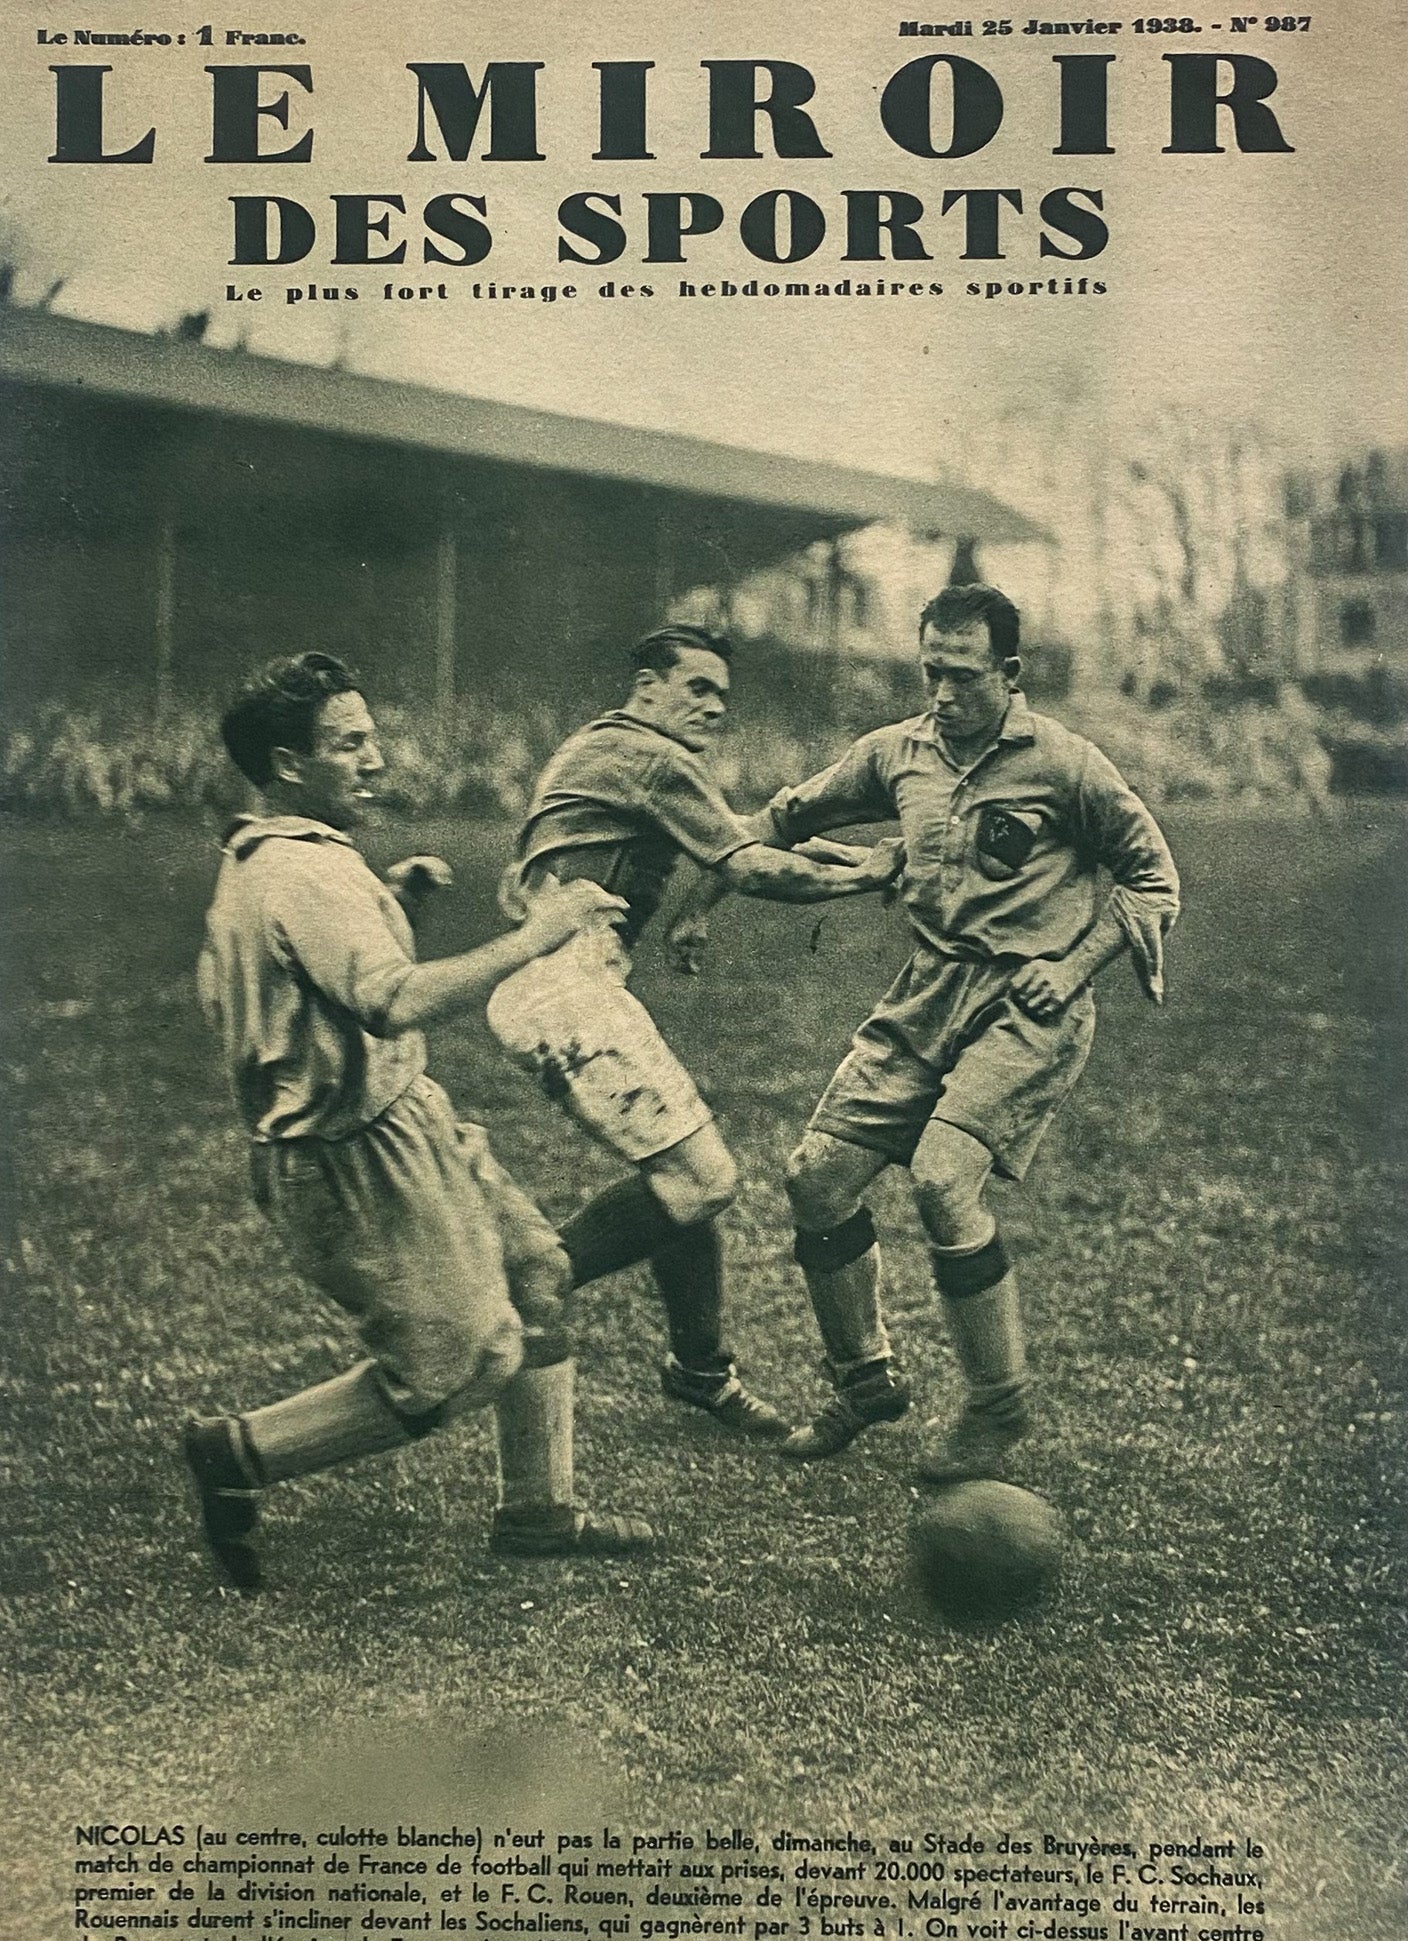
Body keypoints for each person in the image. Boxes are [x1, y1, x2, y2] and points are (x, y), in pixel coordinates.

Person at [668, 584, 1181, 1477]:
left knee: (945, 1181)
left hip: (1026, 1004)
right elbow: (782, 819)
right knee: (816, 1180)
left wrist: (1069, 967)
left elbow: (1153, 883)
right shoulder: (896, 754)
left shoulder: (1068, 764)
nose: (941, 694)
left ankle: (997, 1405)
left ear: (1011, 675)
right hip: (925, 995)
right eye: (930, 672)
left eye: (962, 675)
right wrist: (700, 904)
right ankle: (866, 1382)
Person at [186, 651, 654, 1593]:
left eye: (370, 736)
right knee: (458, 1368)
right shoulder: (300, 877)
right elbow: (390, 1001)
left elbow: (305, 982)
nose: (376, 758)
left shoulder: (277, 856)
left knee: (538, 1271)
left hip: (400, 1116)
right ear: (287, 765)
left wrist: (395, 899)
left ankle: (537, 1516)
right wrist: (540, 932)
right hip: (345, 1159)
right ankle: (239, 1453)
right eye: (348, 743)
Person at [486, 623, 903, 1440]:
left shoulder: (613, 748)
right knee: (703, 1180)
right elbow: (747, 863)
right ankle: (517, 1287)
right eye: (697, 689)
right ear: (648, 688)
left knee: (682, 1172)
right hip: (563, 984)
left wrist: (860, 862)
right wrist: (867, 880)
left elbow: (737, 835)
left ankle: (699, 1371)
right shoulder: (650, 754)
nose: (714, 707)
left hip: (557, 979)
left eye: (722, 696)